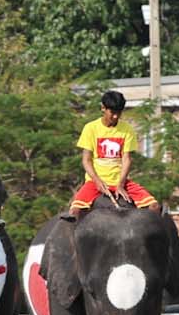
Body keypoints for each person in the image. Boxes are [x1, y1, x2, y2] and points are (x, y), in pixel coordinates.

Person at [64, 89, 158, 221]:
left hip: (121, 182)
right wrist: (97, 181)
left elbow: (127, 159)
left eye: (118, 113)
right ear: (103, 108)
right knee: (75, 211)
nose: (115, 117)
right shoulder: (90, 128)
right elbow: (86, 160)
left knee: (154, 206)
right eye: (112, 112)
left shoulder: (127, 130)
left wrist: (120, 184)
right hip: (95, 182)